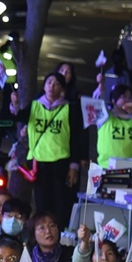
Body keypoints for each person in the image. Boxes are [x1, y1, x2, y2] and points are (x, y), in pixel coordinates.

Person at [24, 72, 84, 228]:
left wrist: (74, 166)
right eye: (49, 82)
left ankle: (60, 239)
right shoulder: (34, 106)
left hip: (61, 163)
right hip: (39, 164)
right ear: (44, 86)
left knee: (61, 204)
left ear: (62, 89)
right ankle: (42, 236)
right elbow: (16, 117)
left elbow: (76, 138)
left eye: (56, 83)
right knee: (42, 204)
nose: (52, 86)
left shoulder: (70, 109)